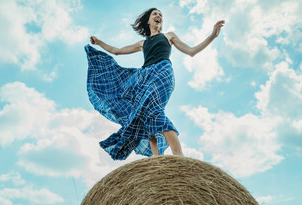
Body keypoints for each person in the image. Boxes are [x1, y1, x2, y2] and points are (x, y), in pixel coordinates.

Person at [85, 8, 224, 160]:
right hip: (145, 77)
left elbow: (191, 51)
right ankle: (156, 160)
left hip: (163, 72)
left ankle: (179, 156)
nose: (159, 16)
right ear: (148, 21)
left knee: (154, 112)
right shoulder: (142, 43)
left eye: (161, 14)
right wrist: (98, 42)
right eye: (155, 14)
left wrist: (212, 36)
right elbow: (116, 51)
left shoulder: (169, 36)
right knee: (144, 116)